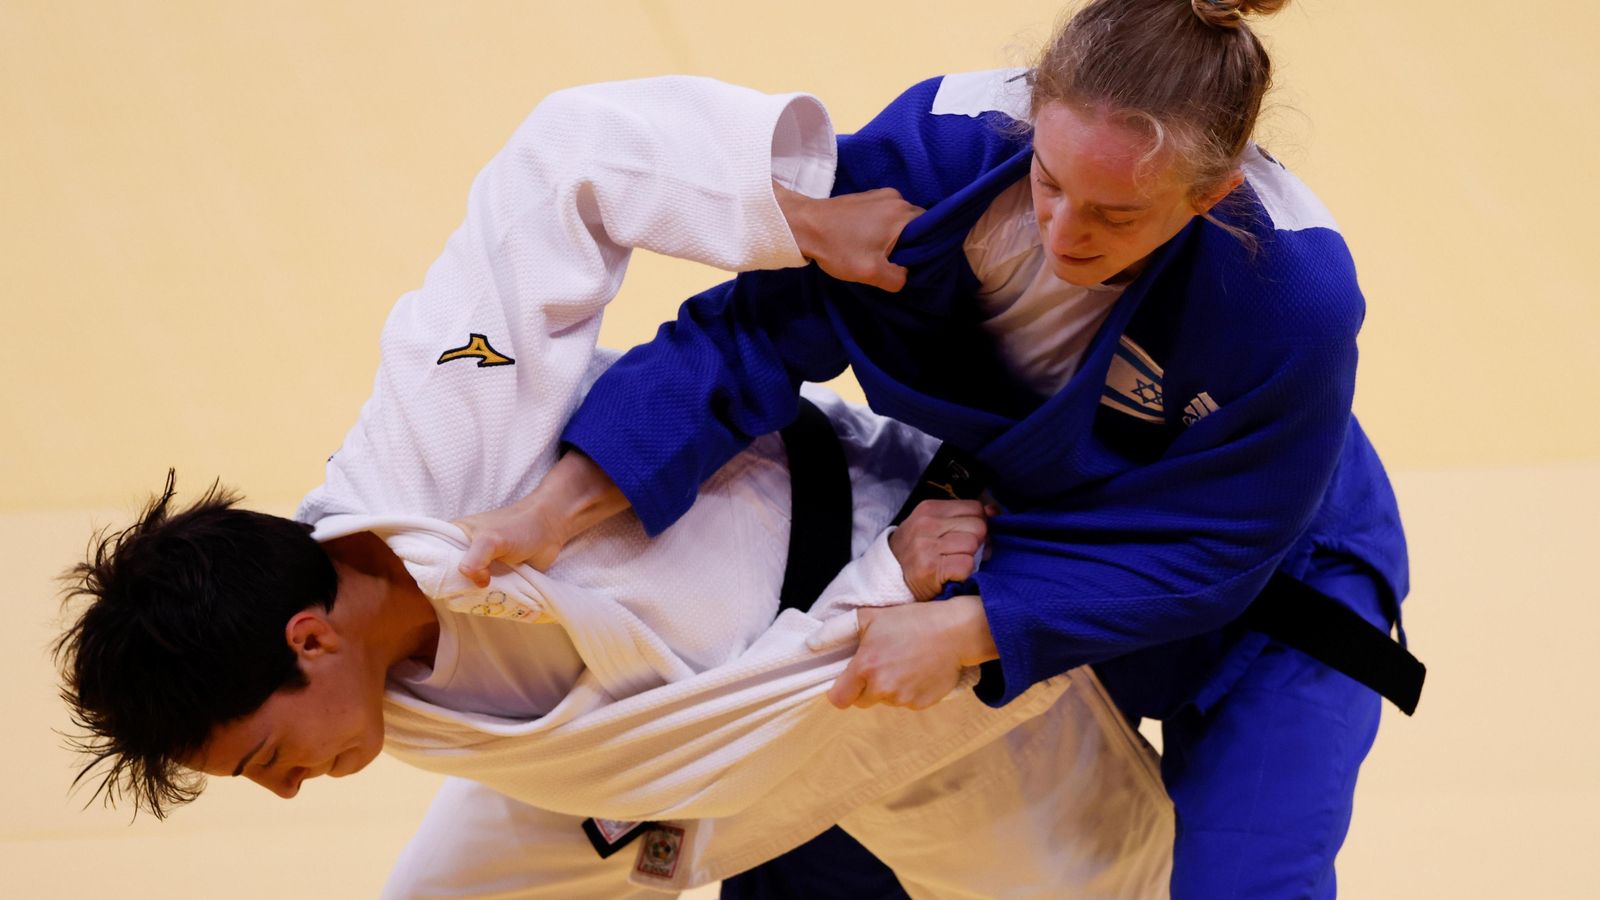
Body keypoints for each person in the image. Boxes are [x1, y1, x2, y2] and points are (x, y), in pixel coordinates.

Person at [54, 75, 1173, 897]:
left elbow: (562, 162)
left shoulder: (446, 417)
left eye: (263, 760)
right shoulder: (404, 710)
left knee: (1104, 888)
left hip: (913, 642)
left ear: (308, 639)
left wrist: (795, 217)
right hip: (678, 764)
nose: (289, 791)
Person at [466, 1, 1416, 896]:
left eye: (1117, 216)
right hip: (1025, 541)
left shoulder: (1292, 291)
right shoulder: (941, 154)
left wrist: (974, 628)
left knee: (1240, 883)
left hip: (1271, 590)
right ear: (1034, 116)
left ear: (1212, 194)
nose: (1064, 232)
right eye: (1049, 181)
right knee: (825, 802)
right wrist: (559, 505)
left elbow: (1212, 546)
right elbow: (751, 333)